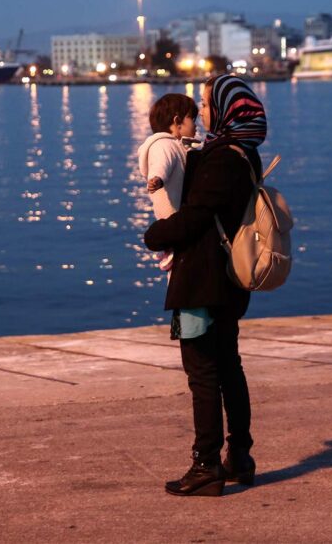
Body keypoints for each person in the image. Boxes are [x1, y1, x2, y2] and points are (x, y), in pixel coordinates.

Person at [144, 74, 267, 497]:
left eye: (208, 105)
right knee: (229, 367)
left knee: (202, 374)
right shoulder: (245, 154)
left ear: (226, 109)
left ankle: (206, 465)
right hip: (231, 280)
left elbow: (196, 216)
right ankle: (241, 456)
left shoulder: (221, 158)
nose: (203, 112)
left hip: (201, 283)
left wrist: (154, 236)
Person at [136, 93, 199, 271]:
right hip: (173, 211)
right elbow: (161, 163)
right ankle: (169, 250)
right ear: (177, 121)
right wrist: (157, 178)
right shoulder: (164, 145)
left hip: (174, 212)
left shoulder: (175, 145)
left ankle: (169, 250)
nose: (196, 125)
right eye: (192, 119)